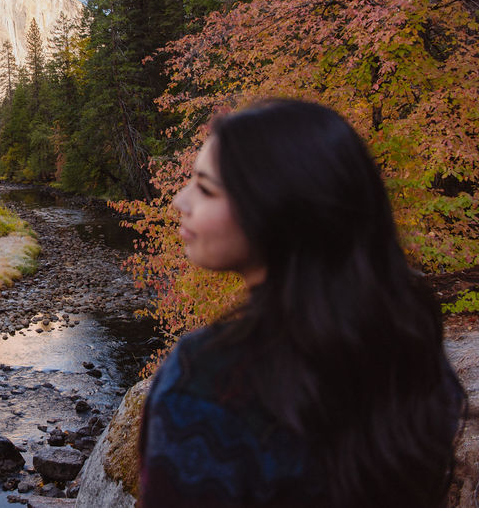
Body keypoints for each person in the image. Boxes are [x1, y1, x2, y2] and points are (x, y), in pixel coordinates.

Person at [139, 99, 464, 508]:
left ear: (276, 206)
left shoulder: (204, 380)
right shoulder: (409, 339)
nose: (179, 202)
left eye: (205, 188)